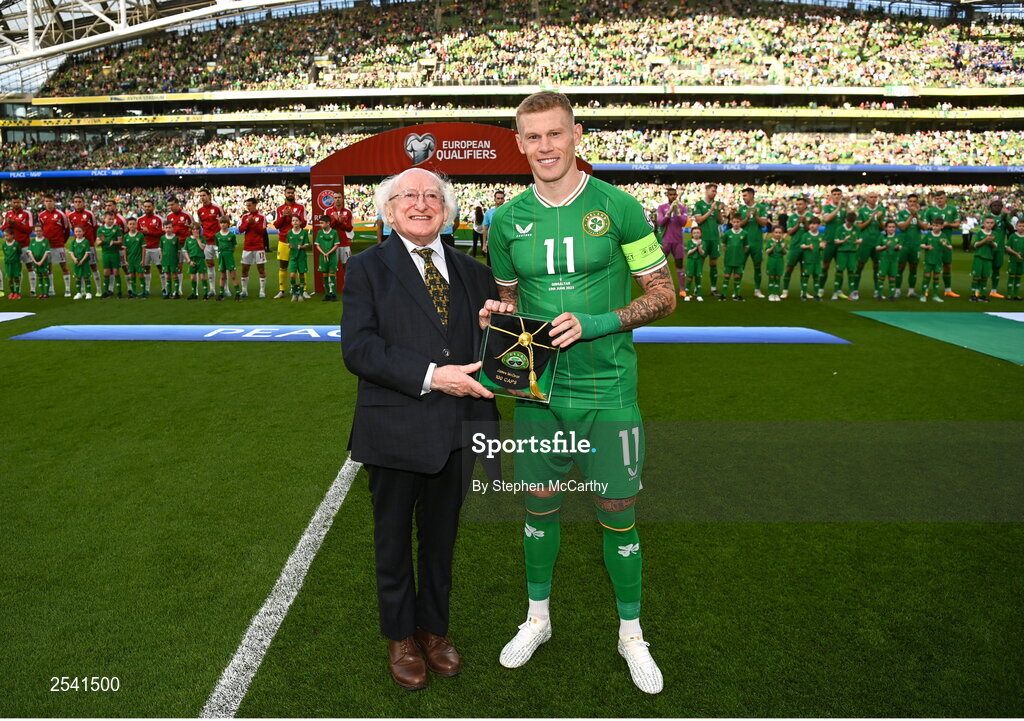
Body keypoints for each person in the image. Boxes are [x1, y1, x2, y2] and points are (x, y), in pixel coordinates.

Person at [488, 91, 675, 695]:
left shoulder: (620, 207)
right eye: (533, 137)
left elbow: (664, 296)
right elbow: (512, 302)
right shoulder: (504, 220)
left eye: (555, 134)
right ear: (519, 143)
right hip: (540, 392)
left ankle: (631, 634)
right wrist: (499, 314)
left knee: (617, 511)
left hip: (609, 387)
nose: (545, 146)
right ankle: (537, 619)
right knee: (539, 504)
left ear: (575, 135)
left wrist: (596, 323)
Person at [341, 167, 505, 691]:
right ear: (389, 211)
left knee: (442, 541)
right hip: (393, 430)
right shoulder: (366, 268)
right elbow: (359, 349)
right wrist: (434, 377)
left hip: (457, 432)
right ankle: (400, 636)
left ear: (447, 210)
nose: (421, 203)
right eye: (408, 195)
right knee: (392, 541)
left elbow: (492, 357)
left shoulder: (474, 272)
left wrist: (493, 334)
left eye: (432, 195)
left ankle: (433, 630)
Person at [923, 190, 960, 298]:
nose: (939, 200)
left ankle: (948, 290)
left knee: (947, 265)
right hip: (933, 243)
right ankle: (925, 289)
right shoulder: (930, 211)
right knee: (930, 267)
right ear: (935, 199)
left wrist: (949, 224)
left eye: (941, 198)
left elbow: (957, 224)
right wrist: (936, 226)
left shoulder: (952, 209)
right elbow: (925, 226)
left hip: (946, 242)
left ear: (945, 199)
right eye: (937, 198)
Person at [691, 183, 725, 298]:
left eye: (715, 191)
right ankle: (697, 288)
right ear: (706, 191)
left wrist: (719, 211)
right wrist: (711, 210)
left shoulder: (718, 204)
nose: (714, 193)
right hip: (703, 239)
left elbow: (721, 222)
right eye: (712, 191)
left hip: (715, 238)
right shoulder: (699, 204)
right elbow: (699, 220)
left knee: (714, 263)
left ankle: (714, 289)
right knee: (699, 263)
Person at [273, 185, 306, 299]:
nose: (290, 194)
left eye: (292, 192)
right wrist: (283, 216)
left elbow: (305, 224)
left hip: (298, 241)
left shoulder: (300, 207)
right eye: (288, 192)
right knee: (283, 265)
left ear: (294, 194)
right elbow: (276, 225)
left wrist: (292, 216)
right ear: (285, 194)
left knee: (300, 265)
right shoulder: (279, 208)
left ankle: (303, 290)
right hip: (283, 240)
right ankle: (282, 290)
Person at [737, 186, 768, 298]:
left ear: (751, 195)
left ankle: (757, 289)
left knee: (757, 266)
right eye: (742, 196)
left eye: (745, 195)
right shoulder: (741, 209)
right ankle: (737, 289)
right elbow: (738, 224)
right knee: (740, 266)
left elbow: (764, 223)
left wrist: (756, 216)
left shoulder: (761, 207)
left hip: (756, 242)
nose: (743, 198)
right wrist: (747, 218)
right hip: (743, 242)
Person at [657, 187, 688, 297]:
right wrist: (669, 212)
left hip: (678, 241)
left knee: (679, 264)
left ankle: (682, 289)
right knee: (660, 264)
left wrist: (678, 212)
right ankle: (660, 288)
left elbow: (684, 222)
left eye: (674, 194)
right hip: (665, 240)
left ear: (677, 195)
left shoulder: (683, 208)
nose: (673, 197)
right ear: (667, 196)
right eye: (670, 195)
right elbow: (660, 222)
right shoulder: (661, 208)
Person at [66, 195, 101, 293]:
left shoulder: (89, 214)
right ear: (73, 203)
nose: (77, 203)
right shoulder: (71, 216)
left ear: (83, 202)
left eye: (79, 201)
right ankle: (82, 290)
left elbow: (95, 228)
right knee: (79, 266)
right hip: (77, 247)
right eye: (75, 201)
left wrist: (92, 241)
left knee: (93, 267)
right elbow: (73, 229)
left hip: (89, 245)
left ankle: (99, 289)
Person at [38, 194, 71, 297]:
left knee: (64, 267)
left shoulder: (61, 214)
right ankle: (51, 289)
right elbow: (41, 229)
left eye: (50, 201)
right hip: (47, 246)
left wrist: (62, 241)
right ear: (44, 202)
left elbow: (66, 230)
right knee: (48, 267)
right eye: (46, 201)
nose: (48, 203)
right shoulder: (41, 215)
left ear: (54, 202)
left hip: (58, 245)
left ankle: (68, 289)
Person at [855, 191, 886, 301]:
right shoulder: (862, 211)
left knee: (877, 266)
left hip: (877, 241)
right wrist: (871, 218)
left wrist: (880, 219)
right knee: (860, 265)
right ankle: (855, 290)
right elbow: (859, 227)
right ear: (867, 199)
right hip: (865, 241)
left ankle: (877, 291)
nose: (873, 199)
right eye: (871, 197)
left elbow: (884, 228)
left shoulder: (881, 210)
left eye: (875, 197)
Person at [980, 198, 1013, 299]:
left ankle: (994, 290)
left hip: (999, 248)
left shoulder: (1005, 217)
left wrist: (1005, 220)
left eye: (999, 206)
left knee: (997, 268)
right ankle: (981, 290)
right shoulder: (987, 217)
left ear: (1002, 207)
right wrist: (999, 221)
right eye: (995, 206)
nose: (997, 207)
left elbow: (1011, 229)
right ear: (991, 207)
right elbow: (985, 229)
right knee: (984, 269)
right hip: (988, 247)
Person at [2, 195, 34, 296]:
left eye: (17, 202)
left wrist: (16, 224)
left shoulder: (27, 213)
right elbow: (3, 228)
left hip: (25, 245)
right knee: (17, 269)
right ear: (11, 202)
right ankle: (17, 291)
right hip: (13, 246)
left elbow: (29, 230)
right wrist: (9, 224)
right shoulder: (8, 214)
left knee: (30, 266)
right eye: (14, 202)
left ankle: (33, 289)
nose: (16, 204)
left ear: (21, 202)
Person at [782, 196, 813, 299]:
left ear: (805, 205)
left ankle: (804, 292)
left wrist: (804, 223)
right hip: (794, 247)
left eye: (800, 204)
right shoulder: (791, 217)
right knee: (789, 268)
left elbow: (812, 231)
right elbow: (789, 232)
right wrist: (798, 223)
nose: (798, 206)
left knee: (804, 270)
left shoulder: (810, 216)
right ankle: (785, 291)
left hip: (807, 247)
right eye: (797, 204)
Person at [195, 188, 225, 296]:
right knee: (210, 265)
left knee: (223, 265)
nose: (202, 197)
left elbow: (225, 222)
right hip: (207, 242)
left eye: (204, 195)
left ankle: (225, 289)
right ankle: (212, 289)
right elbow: (200, 225)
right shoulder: (199, 210)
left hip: (218, 243)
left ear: (209, 196)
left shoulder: (217, 208)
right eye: (200, 196)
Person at [819, 187, 847, 299]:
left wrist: (846, 206)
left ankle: (837, 290)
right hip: (829, 241)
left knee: (840, 267)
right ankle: (820, 289)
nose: (837, 196)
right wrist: (838, 208)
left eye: (838, 194)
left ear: (841, 195)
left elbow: (850, 221)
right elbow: (826, 219)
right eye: (834, 194)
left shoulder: (844, 209)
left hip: (841, 242)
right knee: (825, 266)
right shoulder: (827, 207)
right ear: (831, 196)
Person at [238, 198, 268, 298]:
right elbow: (240, 229)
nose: (248, 207)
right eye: (247, 205)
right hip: (247, 247)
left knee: (261, 269)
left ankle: (262, 291)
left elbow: (262, 232)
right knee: (244, 269)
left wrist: (253, 223)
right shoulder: (244, 217)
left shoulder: (262, 217)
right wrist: (247, 223)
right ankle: (244, 291)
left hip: (259, 246)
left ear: (255, 205)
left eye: (249, 205)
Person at [896, 193, 924, 299]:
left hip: (915, 245)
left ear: (917, 203)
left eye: (914, 201)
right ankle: (897, 290)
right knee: (900, 267)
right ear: (907, 202)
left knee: (913, 268)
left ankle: (911, 291)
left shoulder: (921, 214)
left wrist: (916, 215)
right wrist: (912, 215)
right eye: (910, 201)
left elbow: (925, 227)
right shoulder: (902, 213)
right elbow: (902, 227)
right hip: (903, 244)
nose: (912, 203)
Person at [137, 200, 164, 297]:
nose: (147, 208)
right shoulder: (139, 219)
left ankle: (164, 289)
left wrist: (149, 233)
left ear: (153, 207)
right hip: (145, 249)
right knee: (146, 268)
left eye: (149, 206)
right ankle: (146, 290)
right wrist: (143, 232)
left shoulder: (159, 219)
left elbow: (163, 233)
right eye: (145, 206)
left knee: (161, 268)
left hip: (157, 247)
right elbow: (137, 233)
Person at [831, 212, 859, 300]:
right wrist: (844, 240)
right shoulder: (840, 228)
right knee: (839, 271)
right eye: (849, 222)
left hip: (852, 252)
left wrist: (857, 241)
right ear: (845, 219)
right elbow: (835, 241)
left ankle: (852, 292)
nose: (850, 224)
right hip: (842, 252)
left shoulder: (856, 228)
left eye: (852, 222)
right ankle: (836, 291)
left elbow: (860, 239)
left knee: (851, 271)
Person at [96, 211, 124, 298]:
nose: (111, 221)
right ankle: (106, 291)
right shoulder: (100, 229)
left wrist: (114, 242)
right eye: (109, 219)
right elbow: (98, 242)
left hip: (114, 253)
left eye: (112, 219)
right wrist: (102, 241)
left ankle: (119, 292)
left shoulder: (116, 229)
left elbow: (120, 241)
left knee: (116, 271)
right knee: (106, 272)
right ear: (104, 219)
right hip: (105, 253)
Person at [214, 216, 242, 301]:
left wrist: (229, 252)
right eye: (221, 223)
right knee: (222, 276)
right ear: (219, 224)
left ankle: (237, 293)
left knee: (233, 275)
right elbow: (217, 245)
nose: (223, 224)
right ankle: (221, 293)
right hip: (221, 256)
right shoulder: (217, 235)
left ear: (228, 224)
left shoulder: (231, 235)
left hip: (229, 256)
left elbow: (234, 246)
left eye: (225, 223)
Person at [970, 216, 997, 302]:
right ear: (984, 224)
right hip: (979, 257)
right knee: (976, 276)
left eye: (991, 223)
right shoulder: (979, 233)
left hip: (988, 258)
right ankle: (973, 294)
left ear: (994, 224)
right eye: (987, 223)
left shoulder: (994, 234)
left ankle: (982, 294)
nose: (989, 224)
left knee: (985, 277)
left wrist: (991, 241)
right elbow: (975, 245)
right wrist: (985, 240)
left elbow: (995, 246)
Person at [722, 212, 748, 301]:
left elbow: (746, 246)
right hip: (729, 259)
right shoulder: (727, 233)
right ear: (731, 222)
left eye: (738, 222)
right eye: (734, 222)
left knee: (737, 277)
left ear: (740, 222)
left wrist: (740, 254)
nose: (736, 223)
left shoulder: (745, 233)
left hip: (739, 260)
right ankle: (723, 294)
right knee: (726, 276)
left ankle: (737, 295)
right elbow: (724, 245)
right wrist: (729, 252)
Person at [315, 215, 341, 301]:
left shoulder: (334, 232)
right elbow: (317, 245)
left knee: (332, 275)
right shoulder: (319, 233)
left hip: (332, 257)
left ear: (328, 223)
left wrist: (328, 253)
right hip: (323, 257)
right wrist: (324, 253)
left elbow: (336, 244)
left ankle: (333, 294)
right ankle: (327, 294)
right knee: (325, 276)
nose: (321, 225)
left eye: (322, 223)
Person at [919, 223, 946, 303]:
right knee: (927, 276)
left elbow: (948, 245)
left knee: (936, 277)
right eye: (933, 225)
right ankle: (923, 295)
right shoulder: (928, 235)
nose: (934, 227)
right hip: (929, 259)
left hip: (938, 260)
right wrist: (927, 247)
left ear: (941, 226)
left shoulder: (943, 235)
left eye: (936, 225)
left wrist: (945, 244)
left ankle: (935, 295)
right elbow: (921, 244)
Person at [286, 214, 310, 301]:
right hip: (293, 257)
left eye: (296, 220)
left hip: (301, 257)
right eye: (293, 221)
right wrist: (289, 245)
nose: (295, 222)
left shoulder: (304, 232)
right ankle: (294, 292)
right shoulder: (289, 232)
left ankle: (300, 293)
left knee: (301, 274)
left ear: (300, 222)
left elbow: (307, 244)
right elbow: (288, 243)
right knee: (292, 275)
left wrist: (302, 246)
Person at [876, 220, 901, 301]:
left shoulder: (898, 237)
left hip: (894, 260)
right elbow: (877, 248)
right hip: (884, 260)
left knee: (892, 277)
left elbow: (900, 247)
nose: (891, 228)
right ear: (886, 228)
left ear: (895, 228)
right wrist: (885, 247)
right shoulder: (882, 237)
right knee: (882, 276)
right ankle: (879, 294)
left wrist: (898, 247)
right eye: (889, 227)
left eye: (893, 227)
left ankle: (891, 295)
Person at [481, 189, 506, 266]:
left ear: (504, 199)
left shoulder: (508, 211)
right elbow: (485, 229)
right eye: (498, 198)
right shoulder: (488, 213)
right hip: (492, 243)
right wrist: (484, 244)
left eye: (502, 198)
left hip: (504, 243)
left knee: (503, 265)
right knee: (490, 265)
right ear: (494, 199)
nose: (500, 200)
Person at [123, 217, 146, 298]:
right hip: (130, 259)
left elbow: (143, 248)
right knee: (132, 275)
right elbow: (125, 249)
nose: (132, 225)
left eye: (133, 224)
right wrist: (125, 260)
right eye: (130, 224)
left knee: (141, 275)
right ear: (128, 225)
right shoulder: (126, 236)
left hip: (138, 259)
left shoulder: (140, 235)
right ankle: (133, 292)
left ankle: (143, 292)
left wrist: (143, 259)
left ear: (136, 225)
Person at [184, 222, 208, 300]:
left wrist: (197, 238)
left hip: (200, 259)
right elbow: (185, 251)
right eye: (193, 229)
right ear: (191, 230)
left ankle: (205, 294)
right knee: (193, 278)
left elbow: (202, 248)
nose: (195, 231)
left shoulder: (202, 238)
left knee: (203, 277)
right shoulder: (188, 239)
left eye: (197, 229)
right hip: (192, 260)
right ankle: (194, 293)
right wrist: (189, 261)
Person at [68, 225, 93, 299]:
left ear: (83, 232)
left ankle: (88, 293)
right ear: (74, 233)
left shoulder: (86, 241)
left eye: (79, 231)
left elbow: (87, 252)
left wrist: (82, 260)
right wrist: (74, 259)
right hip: (76, 263)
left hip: (84, 262)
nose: (78, 233)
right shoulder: (73, 242)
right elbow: (71, 252)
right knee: (77, 277)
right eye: (76, 231)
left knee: (86, 277)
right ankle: (79, 293)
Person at [159, 219, 181, 299]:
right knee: (167, 276)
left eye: (169, 227)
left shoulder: (176, 238)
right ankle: (169, 292)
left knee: (174, 275)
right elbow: (160, 248)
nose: (168, 229)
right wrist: (161, 257)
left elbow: (178, 250)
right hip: (165, 260)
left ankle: (177, 292)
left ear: (172, 228)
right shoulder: (162, 238)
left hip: (173, 260)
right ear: (163, 228)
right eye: (166, 227)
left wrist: (177, 259)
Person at [765, 224, 787, 302]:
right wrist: (772, 247)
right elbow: (767, 252)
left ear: (782, 234)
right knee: (771, 277)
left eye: (780, 232)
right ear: (772, 233)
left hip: (780, 261)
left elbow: (785, 252)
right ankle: (771, 294)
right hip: (771, 261)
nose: (778, 234)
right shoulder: (770, 241)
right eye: (776, 232)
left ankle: (776, 294)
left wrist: (783, 247)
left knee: (778, 277)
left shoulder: (783, 241)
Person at [28, 224, 51, 298]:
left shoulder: (45, 241)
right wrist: (34, 261)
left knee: (45, 276)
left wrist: (41, 261)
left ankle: (46, 293)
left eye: (39, 231)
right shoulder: (33, 241)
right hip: (35, 263)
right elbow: (30, 252)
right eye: (36, 231)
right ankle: (41, 293)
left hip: (43, 262)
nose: (38, 232)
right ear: (34, 232)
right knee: (39, 276)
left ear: (42, 231)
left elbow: (47, 252)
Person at [683, 226, 705, 301]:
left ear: (701, 234)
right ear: (692, 234)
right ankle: (687, 294)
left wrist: (699, 247)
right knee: (689, 278)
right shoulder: (689, 242)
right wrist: (697, 246)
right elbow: (689, 252)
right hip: (691, 262)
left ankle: (698, 294)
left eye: (698, 232)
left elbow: (702, 253)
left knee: (698, 277)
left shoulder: (703, 242)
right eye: (694, 233)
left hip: (699, 262)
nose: (696, 234)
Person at [1005, 219, 1024, 301]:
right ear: (1016, 227)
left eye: (1023, 226)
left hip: (1022, 261)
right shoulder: (1013, 236)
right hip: (1013, 260)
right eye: (1020, 226)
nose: (1022, 228)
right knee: (1011, 277)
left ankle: (1016, 295)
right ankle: (1009, 294)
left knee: (1018, 278)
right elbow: (1007, 247)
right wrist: (1016, 253)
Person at [2, 228, 21, 299]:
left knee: (16, 277)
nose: (5, 237)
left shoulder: (16, 244)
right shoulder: (4, 245)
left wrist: (15, 259)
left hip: (15, 264)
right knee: (9, 279)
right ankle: (12, 292)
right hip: (8, 264)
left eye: (7, 235)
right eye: (4, 236)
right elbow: (4, 252)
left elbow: (19, 252)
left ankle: (17, 293)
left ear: (12, 235)